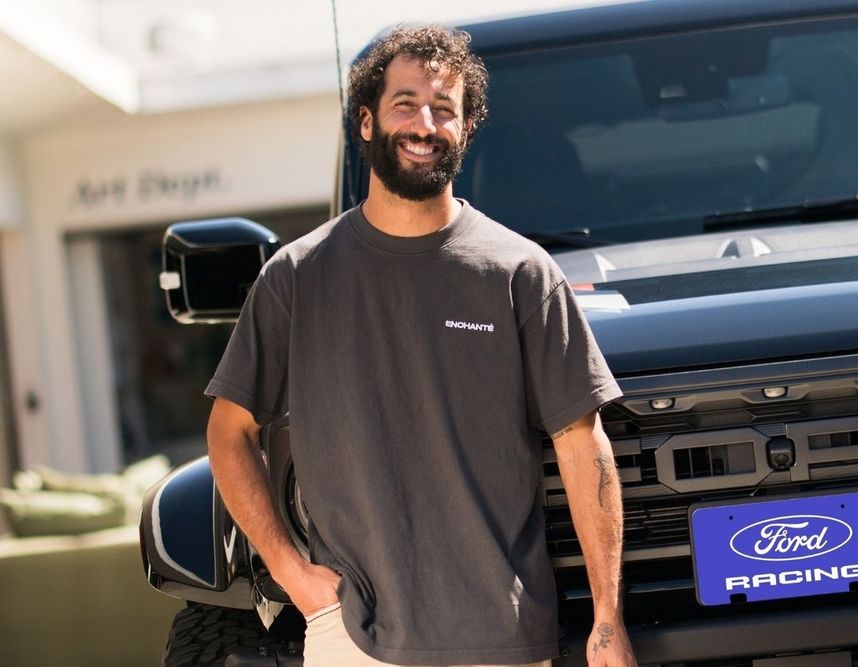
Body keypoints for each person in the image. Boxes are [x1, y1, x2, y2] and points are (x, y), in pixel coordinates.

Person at [205, 25, 636, 667]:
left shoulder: (519, 272)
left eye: (444, 108)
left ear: (465, 128)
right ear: (367, 122)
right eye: (405, 103)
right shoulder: (297, 277)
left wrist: (607, 618)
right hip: (351, 633)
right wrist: (292, 573)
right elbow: (228, 431)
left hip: (502, 635)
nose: (425, 124)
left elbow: (581, 443)